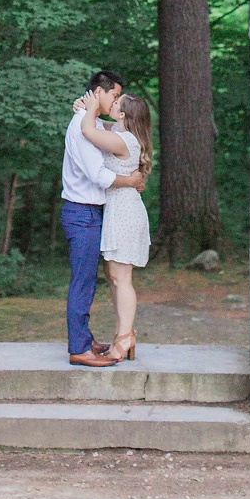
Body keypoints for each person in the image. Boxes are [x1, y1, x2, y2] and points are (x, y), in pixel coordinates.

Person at [61, 70, 145, 367]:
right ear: (99, 92)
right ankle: (79, 348)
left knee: (100, 279)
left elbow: (109, 131)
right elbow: (98, 176)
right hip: (82, 211)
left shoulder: (94, 123)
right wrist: (130, 181)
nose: (115, 101)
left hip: (98, 211)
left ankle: (91, 339)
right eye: (113, 95)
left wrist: (89, 109)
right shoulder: (82, 125)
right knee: (83, 282)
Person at [79, 89, 152, 363]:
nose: (111, 102)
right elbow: (100, 125)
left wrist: (90, 108)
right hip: (118, 211)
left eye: (116, 102)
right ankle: (124, 333)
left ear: (122, 114)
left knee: (121, 278)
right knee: (113, 275)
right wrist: (84, 107)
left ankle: (125, 337)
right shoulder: (122, 134)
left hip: (124, 213)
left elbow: (88, 130)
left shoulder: (124, 141)